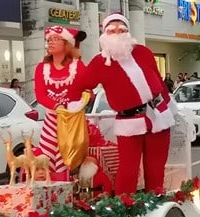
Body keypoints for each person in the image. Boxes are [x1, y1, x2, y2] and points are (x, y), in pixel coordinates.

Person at [69, 13, 177, 196]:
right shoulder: (99, 63)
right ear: (104, 34)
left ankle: (155, 204)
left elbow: (158, 82)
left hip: (158, 116)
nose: (117, 33)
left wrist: (169, 107)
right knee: (128, 170)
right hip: (129, 121)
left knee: (156, 169)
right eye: (112, 30)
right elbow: (79, 85)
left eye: (122, 29)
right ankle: (123, 209)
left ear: (128, 32)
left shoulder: (143, 52)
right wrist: (74, 104)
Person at [33, 25, 87, 181]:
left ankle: (69, 196)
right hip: (51, 121)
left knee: (69, 160)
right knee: (46, 158)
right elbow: (40, 95)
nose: (50, 42)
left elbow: (88, 90)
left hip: (72, 122)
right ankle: (49, 196)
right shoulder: (41, 68)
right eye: (49, 39)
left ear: (66, 44)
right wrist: (56, 106)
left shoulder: (78, 67)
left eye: (55, 39)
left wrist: (81, 102)